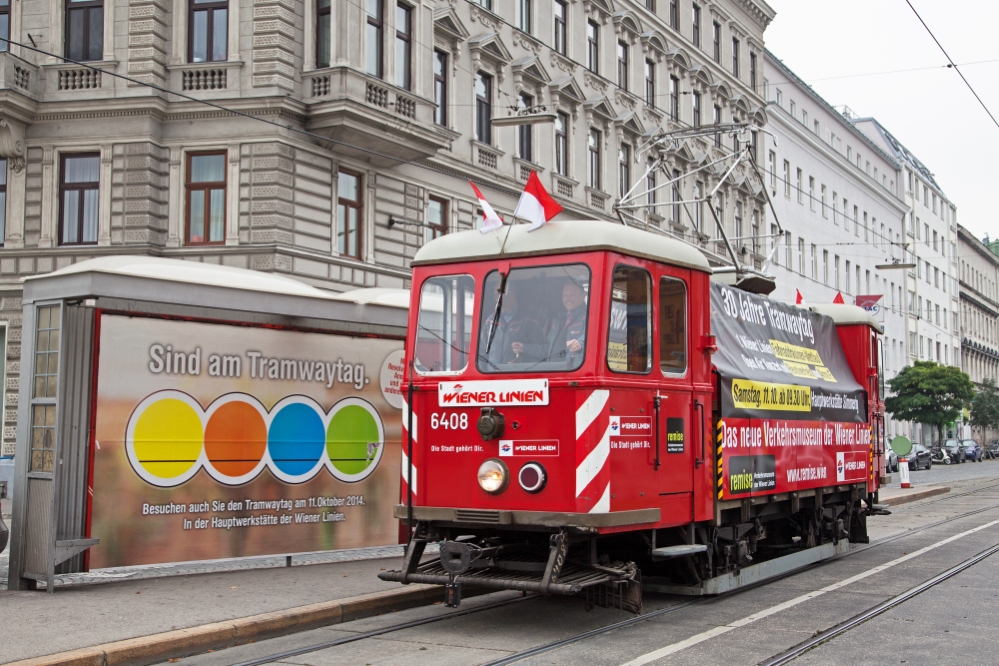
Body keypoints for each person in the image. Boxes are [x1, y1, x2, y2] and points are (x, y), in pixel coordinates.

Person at [513, 279, 588, 367]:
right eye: (565, 295)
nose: (568, 298)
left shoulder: (591, 316)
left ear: (583, 296)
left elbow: (595, 339)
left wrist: (581, 343)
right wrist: (524, 348)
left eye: (572, 295)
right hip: (554, 374)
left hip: (574, 375)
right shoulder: (559, 320)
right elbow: (547, 350)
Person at [479, 287, 543, 367]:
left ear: (512, 293)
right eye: (495, 295)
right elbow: (481, 352)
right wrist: (484, 375)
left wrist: (525, 348)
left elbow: (543, 350)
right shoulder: (490, 321)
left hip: (519, 375)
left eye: (499, 294)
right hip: (493, 376)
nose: (497, 298)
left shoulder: (529, 321)